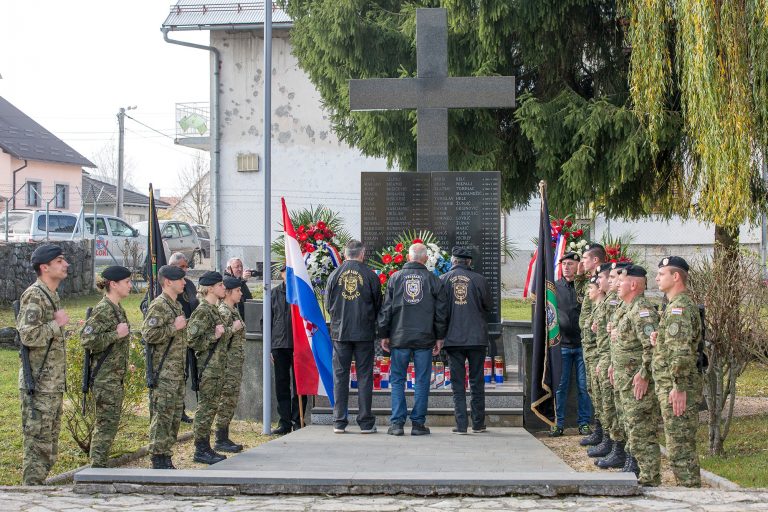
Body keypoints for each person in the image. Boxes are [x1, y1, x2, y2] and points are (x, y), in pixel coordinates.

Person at [378, 243, 449, 436]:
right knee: (422, 380)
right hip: (424, 338)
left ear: (408, 258)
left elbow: (386, 309)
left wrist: (384, 334)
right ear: (425, 258)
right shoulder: (433, 280)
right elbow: (441, 313)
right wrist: (440, 337)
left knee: (398, 380)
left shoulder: (395, 278)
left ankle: (397, 424)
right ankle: (418, 424)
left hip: (399, 337)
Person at [17, 244, 70, 485]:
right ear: (44, 267)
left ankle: (36, 491)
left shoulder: (52, 295)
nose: (65, 264)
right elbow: (27, 335)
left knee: (48, 448)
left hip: (51, 384)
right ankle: (30, 496)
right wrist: (55, 325)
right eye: (60, 261)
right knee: (37, 447)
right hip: (38, 385)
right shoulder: (35, 295)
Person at [652, 256, 703, 487]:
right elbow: (676, 345)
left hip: (678, 389)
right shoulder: (673, 306)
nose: (657, 278)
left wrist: (678, 387)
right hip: (673, 385)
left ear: (676, 277)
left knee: (680, 451)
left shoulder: (678, 309)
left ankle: (691, 494)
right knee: (679, 448)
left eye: (661, 274)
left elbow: (681, 353)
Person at [611, 264, 661, 485]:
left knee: (642, 431)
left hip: (637, 382)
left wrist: (643, 374)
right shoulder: (629, 308)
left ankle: (650, 479)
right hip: (625, 380)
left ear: (633, 284)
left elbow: (651, 348)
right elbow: (623, 344)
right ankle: (640, 473)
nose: (617, 285)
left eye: (621, 281)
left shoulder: (643, 311)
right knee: (632, 427)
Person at [325, 240, 382, 434]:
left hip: (340, 333)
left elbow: (327, 305)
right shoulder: (370, 275)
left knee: (340, 376)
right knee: (365, 377)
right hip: (364, 333)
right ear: (362, 253)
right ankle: (365, 422)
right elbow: (378, 305)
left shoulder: (334, 274)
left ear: (344, 253)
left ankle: (339, 421)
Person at [81, 265, 132, 468]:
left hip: (114, 377)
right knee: (105, 425)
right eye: (126, 282)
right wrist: (115, 335)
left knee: (110, 424)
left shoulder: (117, 308)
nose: (130, 285)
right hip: (104, 378)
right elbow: (86, 339)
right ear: (113, 284)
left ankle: (99, 466)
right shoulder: (104, 309)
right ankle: (97, 468)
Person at [439, 246, 492, 434]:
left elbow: (440, 312)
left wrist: (439, 336)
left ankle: (461, 424)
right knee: (477, 381)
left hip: (453, 339)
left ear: (453, 261)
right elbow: (488, 306)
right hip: (477, 338)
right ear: (469, 262)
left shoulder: (443, 280)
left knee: (457, 383)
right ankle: (478, 423)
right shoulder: (480, 280)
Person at [142, 264, 188, 470]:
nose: (184, 282)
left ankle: (166, 455)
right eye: (180, 279)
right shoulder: (159, 305)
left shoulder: (175, 305)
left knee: (174, 415)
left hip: (176, 371)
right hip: (163, 372)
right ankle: (158, 457)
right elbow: (149, 335)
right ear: (168, 282)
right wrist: (173, 327)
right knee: (162, 416)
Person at [550, 251, 593, 437]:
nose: (566, 267)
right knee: (561, 386)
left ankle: (583, 423)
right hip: (563, 345)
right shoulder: (554, 288)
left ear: (578, 266)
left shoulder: (585, 287)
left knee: (584, 386)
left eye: (570, 264)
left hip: (583, 344)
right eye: (564, 264)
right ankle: (558, 423)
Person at [187, 271, 228, 464]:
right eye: (220, 285)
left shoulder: (214, 309)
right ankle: (200, 448)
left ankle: (206, 446)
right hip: (208, 368)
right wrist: (214, 336)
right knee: (205, 409)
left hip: (217, 367)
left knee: (211, 408)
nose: (223, 288)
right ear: (210, 288)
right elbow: (192, 340)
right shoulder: (203, 310)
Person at [271, 265, 307, 434]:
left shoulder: (302, 292)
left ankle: (298, 419)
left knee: (300, 383)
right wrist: (271, 346)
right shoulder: (274, 293)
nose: (288, 274)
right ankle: (284, 421)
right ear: (282, 274)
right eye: (286, 271)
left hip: (299, 344)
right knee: (281, 384)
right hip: (280, 344)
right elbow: (268, 320)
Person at [578, 243, 606, 446]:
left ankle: (606, 435)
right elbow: (582, 299)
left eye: (585, 258)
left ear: (595, 260)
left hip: (600, 348)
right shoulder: (592, 281)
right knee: (593, 392)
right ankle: (600, 431)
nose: (582, 262)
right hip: (590, 346)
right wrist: (580, 276)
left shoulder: (604, 281)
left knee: (603, 395)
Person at [214, 275, 246, 452]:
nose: (241, 294)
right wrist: (232, 329)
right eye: (237, 291)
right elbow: (219, 339)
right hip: (227, 365)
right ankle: (220, 438)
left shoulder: (232, 310)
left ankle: (224, 436)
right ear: (227, 293)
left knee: (230, 401)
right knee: (225, 401)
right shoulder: (224, 312)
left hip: (233, 364)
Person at [169, 252, 198, 424]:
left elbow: (194, 303)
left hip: (189, 336)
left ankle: (181, 410)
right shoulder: (166, 285)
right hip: (173, 337)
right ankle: (173, 411)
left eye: (186, 266)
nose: (185, 270)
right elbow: (146, 303)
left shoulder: (189, 285)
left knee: (185, 374)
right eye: (181, 267)